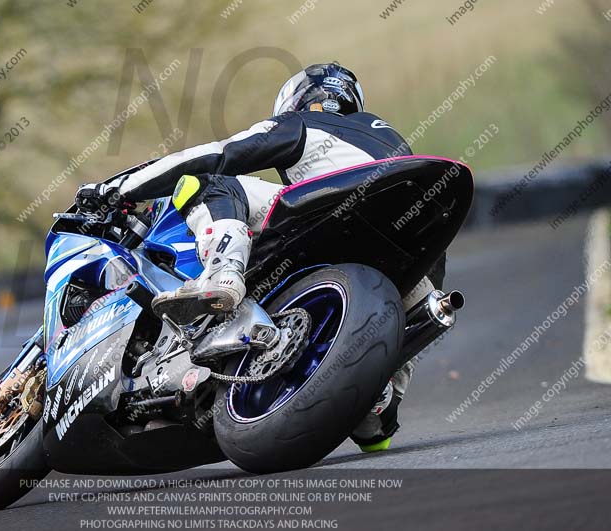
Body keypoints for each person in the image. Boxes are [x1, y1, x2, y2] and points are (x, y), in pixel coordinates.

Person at [76, 62, 444, 452]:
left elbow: (215, 155)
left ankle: (223, 273)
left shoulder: (303, 123)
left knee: (205, 180)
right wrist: (378, 402)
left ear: (299, 100)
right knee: (379, 422)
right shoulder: (388, 141)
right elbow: (376, 440)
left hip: (340, 212)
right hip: (416, 244)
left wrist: (116, 188)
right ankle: (380, 398)